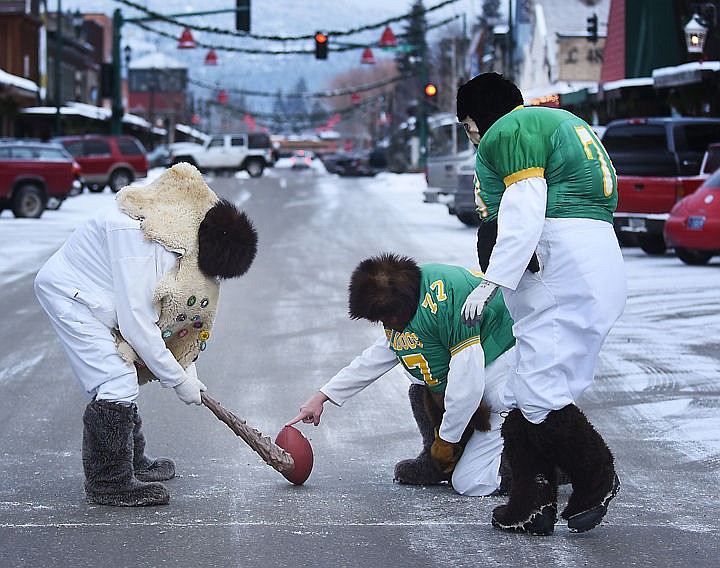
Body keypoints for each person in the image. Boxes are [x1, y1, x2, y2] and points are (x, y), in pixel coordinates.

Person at [455, 72, 627, 535]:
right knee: (522, 391)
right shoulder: (563, 122)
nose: (472, 136)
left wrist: (492, 280)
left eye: (469, 125)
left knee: (538, 394)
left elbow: (524, 208)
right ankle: (531, 502)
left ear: (480, 115)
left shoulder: (509, 129)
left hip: (559, 261)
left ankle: (596, 474)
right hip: (592, 253)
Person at [34, 163, 258, 507]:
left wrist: (186, 363)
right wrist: (178, 380)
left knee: (121, 379)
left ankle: (131, 461)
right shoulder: (146, 241)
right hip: (70, 294)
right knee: (115, 380)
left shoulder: (189, 231)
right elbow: (138, 323)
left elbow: (169, 315)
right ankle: (109, 482)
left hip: (103, 293)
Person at [287, 253, 516, 497]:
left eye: (387, 318)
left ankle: (526, 469)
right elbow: (377, 357)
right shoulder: (406, 300)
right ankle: (435, 458)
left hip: (503, 377)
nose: (386, 325)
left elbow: (467, 387)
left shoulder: (450, 302)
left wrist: (447, 440)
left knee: (469, 482)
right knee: (421, 378)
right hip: (477, 381)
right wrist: (322, 397)